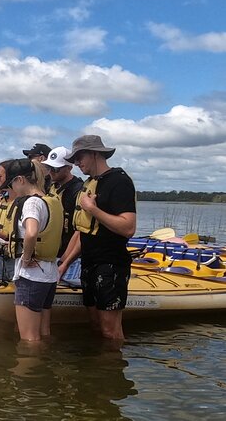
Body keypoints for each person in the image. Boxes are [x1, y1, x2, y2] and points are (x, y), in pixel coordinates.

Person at [59, 135, 136, 340]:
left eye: (79, 157)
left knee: (110, 330)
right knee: (94, 324)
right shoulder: (90, 183)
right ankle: (99, 369)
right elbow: (84, 231)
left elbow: (128, 227)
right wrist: (65, 264)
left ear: (95, 154)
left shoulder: (119, 181)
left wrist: (93, 209)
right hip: (89, 263)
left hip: (110, 264)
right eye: (74, 159)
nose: (76, 163)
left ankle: (113, 367)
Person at [0, 158, 63, 341]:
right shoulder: (51, 200)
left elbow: (31, 232)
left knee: (29, 339)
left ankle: (27, 369)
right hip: (49, 274)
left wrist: (26, 258)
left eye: (11, 184)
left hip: (32, 276)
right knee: (43, 332)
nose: (11, 189)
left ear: (20, 180)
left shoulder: (31, 203)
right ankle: (43, 366)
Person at [42, 146, 84, 286]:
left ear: (69, 168)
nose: (52, 172)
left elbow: (80, 230)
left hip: (70, 255)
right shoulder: (52, 187)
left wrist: (64, 261)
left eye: (56, 169)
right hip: (53, 251)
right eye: (49, 168)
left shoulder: (78, 190)